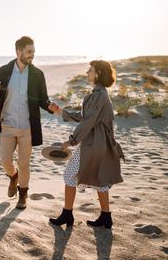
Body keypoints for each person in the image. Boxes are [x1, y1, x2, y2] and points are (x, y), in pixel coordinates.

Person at [0, 36, 54, 209]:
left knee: (24, 163)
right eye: (29, 52)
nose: (32, 55)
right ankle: (13, 176)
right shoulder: (4, 71)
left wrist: (51, 107)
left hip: (28, 126)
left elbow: (43, 99)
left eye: (33, 52)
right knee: (5, 161)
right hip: (8, 124)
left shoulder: (37, 74)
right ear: (18, 52)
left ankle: (23, 195)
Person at [48, 60, 124, 228]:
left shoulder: (99, 95)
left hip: (95, 143)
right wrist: (61, 112)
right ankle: (106, 217)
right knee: (100, 179)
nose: (87, 73)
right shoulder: (99, 93)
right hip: (101, 143)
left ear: (97, 74)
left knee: (69, 175)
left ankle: (67, 215)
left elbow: (88, 121)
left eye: (90, 70)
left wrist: (72, 140)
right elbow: (85, 117)